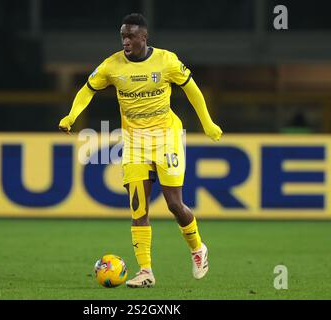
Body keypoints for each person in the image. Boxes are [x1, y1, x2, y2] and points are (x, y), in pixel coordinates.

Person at [59, 13, 222, 288]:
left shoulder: (167, 61)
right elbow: (87, 90)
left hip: (166, 138)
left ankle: (197, 249)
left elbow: (192, 89)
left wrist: (207, 122)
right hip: (134, 143)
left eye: (131, 36)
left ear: (143, 38)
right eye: (123, 36)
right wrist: (71, 116)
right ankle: (145, 271)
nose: (126, 41)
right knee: (138, 209)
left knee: (174, 204)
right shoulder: (112, 65)